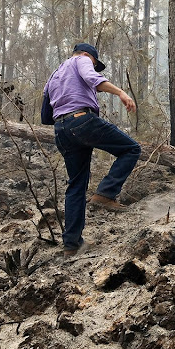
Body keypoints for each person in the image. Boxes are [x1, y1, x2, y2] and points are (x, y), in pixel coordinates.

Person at [42, 43, 140, 256]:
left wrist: (65, 120)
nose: (93, 67)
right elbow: (92, 79)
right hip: (82, 120)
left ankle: (71, 245)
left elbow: (45, 114)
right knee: (131, 149)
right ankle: (106, 193)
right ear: (88, 56)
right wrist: (121, 93)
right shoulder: (82, 60)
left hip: (61, 130)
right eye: (95, 64)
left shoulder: (54, 74)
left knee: (76, 186)